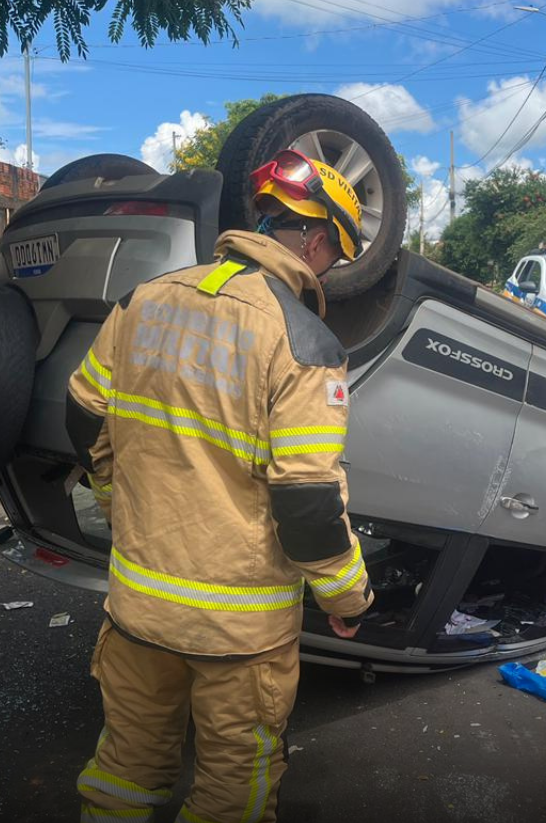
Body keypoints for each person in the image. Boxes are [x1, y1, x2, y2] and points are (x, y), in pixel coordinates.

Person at [68, 149, 375, 823]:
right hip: (240, 635)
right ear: (318, 242)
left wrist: (118, 501)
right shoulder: (304, 342)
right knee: (232, 792)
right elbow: (307, 500)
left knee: (124, 770)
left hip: (137, 608)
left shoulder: (143, 300)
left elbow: (85, 414)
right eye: (337, 258)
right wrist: (347, 594)